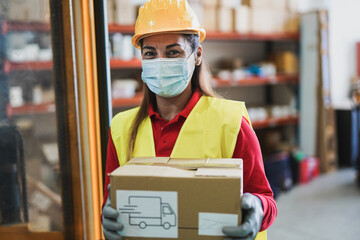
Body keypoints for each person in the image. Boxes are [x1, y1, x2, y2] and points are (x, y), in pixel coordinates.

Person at [102, 0, 277, 239]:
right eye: (150, 53)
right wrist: (108, 219)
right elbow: (111, 202)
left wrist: (257, 210)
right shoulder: (121, 129)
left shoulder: (231, 123)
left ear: (197, 56)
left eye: (173, 52)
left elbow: (264, 198)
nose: (161, 62)